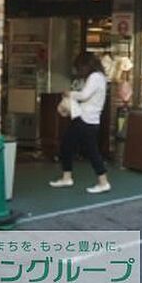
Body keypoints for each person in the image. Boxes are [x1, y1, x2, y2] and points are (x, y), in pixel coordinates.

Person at [50, 52, 111, 194]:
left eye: (79, 67)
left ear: (85, 65)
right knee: (70, 145)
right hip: (88, 119)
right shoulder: (100, 77)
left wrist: (69, 94)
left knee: (86, 150)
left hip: (85, 119)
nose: (79, 71)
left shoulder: (95, 77)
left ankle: (102, 182)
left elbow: (84, 96)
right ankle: (68, 177)